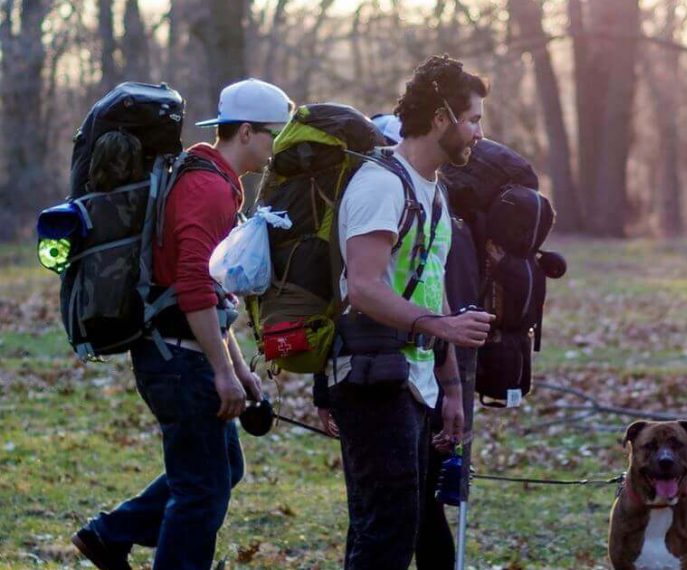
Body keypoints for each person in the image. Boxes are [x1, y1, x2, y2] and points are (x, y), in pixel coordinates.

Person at [72, 78, 293, 570]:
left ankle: (111, 534)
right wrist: (220, 371)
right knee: (201, 494)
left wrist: (238, 369)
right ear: (247, 133)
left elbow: (212, 293)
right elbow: (193, 287)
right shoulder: (207, 189)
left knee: (219, 470)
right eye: (272, 135)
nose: (275, 146)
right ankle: (120, 538)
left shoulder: (208, 177)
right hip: (179, 361)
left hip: (178, 352)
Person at [321, 54, 494, 569]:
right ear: (441, 118)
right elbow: (363, 286)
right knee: (386, 536)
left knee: (393, 526)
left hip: (414, 379)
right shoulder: (381, 184)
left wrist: (453, 388)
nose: (479, 134)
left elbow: (429, 286)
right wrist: (439, 326)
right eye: (474, 119)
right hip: (372, 378)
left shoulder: (435, 191)